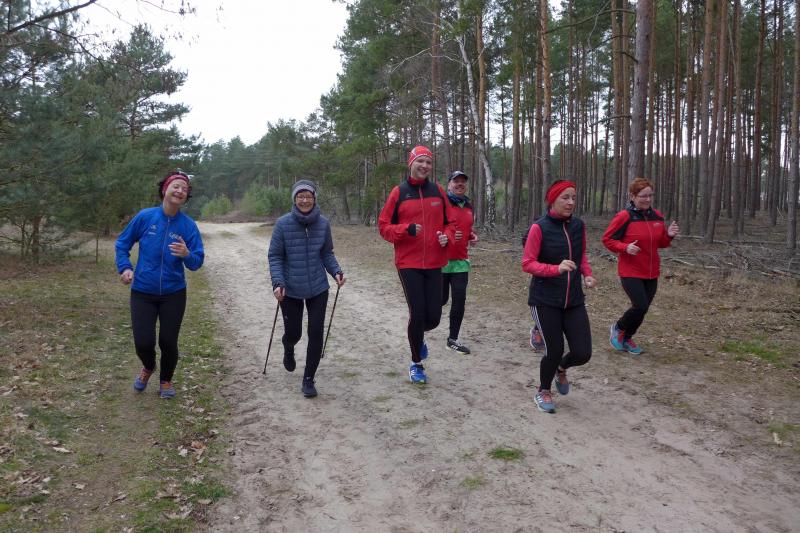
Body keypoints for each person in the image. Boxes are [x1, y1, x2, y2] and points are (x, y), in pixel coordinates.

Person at [115, 171, 205, 399]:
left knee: (168, 341)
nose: (180, 191)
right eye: (176, 186)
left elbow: (197, 262)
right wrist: (125, 267)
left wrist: (186, 254)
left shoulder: (188, 226)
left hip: (174, 293)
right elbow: (122, 243)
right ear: (165, 189)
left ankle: (166, 380)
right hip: (142, 292)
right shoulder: (145, 217)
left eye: (185, 189)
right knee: (143, 343)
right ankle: (148, 366)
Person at [378, 146, 452, 384]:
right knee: (417, 312)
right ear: (411, 163)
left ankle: (418, 335)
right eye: (420, 161)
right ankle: (416, 363)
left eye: (428, 162)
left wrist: (447, 236)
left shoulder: (438, 191)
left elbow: (450, 223)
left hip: (434, 262)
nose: (425, 166)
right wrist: (405, 230)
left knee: (434, 317)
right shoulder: (399, 192)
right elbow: (383, 227)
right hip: (408, 262)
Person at [522, 180, 596, 413]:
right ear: (552, 200)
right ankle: (543, 390)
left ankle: (561, 369)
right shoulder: (539, 228)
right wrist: (556, 269)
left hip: (573, 299)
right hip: (544, 299)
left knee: (583, 353)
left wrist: (587, 274)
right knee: (554, 350)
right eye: (565, 197)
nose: (571, 202)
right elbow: (527, 263)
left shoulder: (578, 226)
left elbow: (581, 255)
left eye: (573, 197)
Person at [268, 180, 345, 398]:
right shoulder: (282, 224)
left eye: (308, 196)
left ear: (314, 199)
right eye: (300, 196)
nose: (304, 200)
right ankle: (288, 346)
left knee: (315, 332)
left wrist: (336, 271)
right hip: (290, 289)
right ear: (294, 199)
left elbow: (326, 253)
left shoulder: (323, 223)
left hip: (318, 287)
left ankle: (309, 378)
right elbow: (275, 256)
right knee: (294, 333)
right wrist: (278, 282)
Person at [602, 177, 679, 355]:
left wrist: (669, 235)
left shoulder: (657, 216)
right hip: (630, 270)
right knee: (640, 305)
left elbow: (661, 243)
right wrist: (625, 247)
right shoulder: (624, 216)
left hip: (651, 271)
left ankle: (627, 337)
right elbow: (607, 239)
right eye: (643, 196)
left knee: (643, 309)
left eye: (650, 195)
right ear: (633, 196)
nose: (648, 199)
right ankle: (618, 328)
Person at [441, 170, 478, 354]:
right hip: (441, 260)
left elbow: (466, 227)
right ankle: (421, 325)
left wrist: (471, 236)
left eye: (463, 181)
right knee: (440, 300)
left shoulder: (468, 206)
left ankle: (452, 339)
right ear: (449, 184)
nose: (460, 184)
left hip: (461, 261)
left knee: (459, 300)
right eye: (456, 181)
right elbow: (433, 226)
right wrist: (444, 236)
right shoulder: (442, 204)